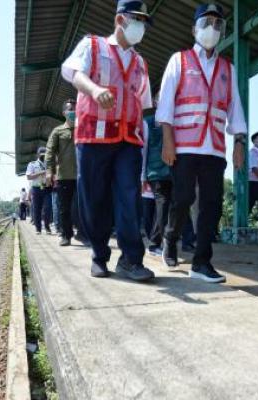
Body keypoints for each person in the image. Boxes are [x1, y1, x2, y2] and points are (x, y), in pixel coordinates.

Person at [61, 0, 155, 281]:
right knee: (95, 198)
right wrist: (94, 89)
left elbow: (143, 101)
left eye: (144, 21)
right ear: (119, 20)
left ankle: (131, 259)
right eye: (135, 19)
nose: (141, 26)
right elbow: (74, 73)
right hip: (94, 136)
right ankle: (99, 255)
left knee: (129, 196)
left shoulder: (141, 63)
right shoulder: (93, 46)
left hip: (128, 139)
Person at [157, 3, 247, 283]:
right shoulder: (179, 60)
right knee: (183, 199)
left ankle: (201, 263)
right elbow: (166, 104)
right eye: (206, 23)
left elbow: (235, 109)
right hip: (184, 146)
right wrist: (167, 142)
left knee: (212, 206)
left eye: (218, 24)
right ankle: (170, 238)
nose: (212, 29)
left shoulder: (227, 69)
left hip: (214, 148)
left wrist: (239, 142)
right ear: (194, 29)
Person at [46, 99, 79, 246]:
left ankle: (84, 233)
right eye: (70, 109)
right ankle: (66, 235)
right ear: (64, 112)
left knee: (82, 207)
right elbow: (49, 152)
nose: (73, 111)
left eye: (75, 108)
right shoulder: (58, 131)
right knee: (64, 208)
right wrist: (49, 171)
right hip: (64, 176)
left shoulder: (83, 128)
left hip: (82, 175)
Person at [141, 101, 173, 256]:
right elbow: (144, 150)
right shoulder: (147, 123)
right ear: (154, 102)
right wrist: (142, 176)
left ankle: (158, 241)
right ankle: (155, 244)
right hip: (155, 172)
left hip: (174, 170)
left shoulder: (176, 119)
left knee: (171, 206)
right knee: (163, 205)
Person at [26, 147, 52, 234]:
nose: (43, 156)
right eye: (42, 155)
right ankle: (38, 228)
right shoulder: (32, 164)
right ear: (37, 155)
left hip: (47, 188)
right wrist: (41, 172)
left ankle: (47, 227)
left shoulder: (48, 164)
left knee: (48, 208)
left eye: (45, 155)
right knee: (37, 209)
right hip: (36, 188)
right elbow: (29, 176)